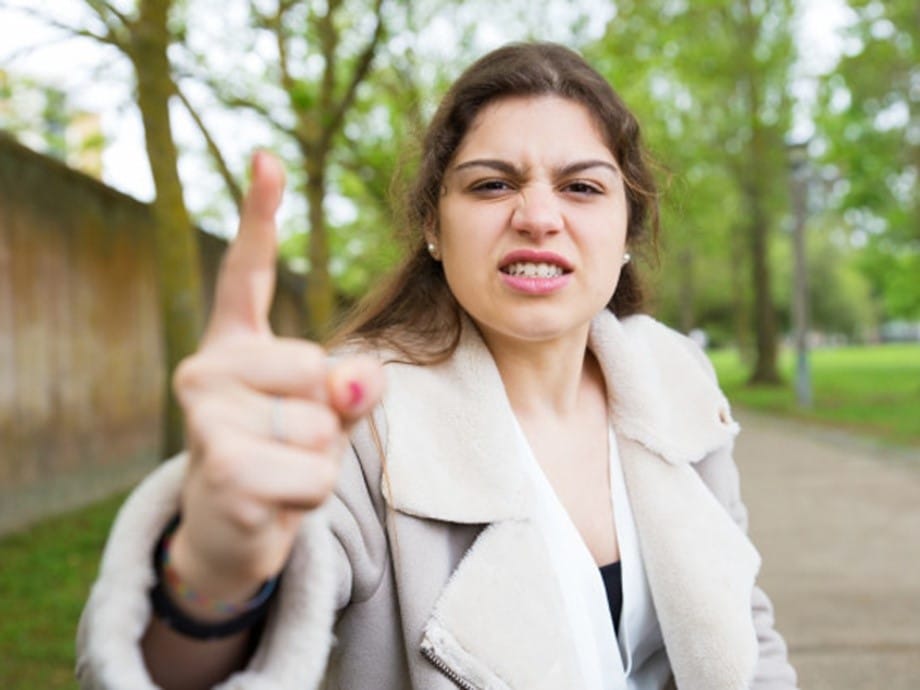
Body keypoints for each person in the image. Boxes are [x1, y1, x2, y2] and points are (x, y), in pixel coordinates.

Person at [77, 42, 798, 689]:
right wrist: (212, 577)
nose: (538, 215)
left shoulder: (676, 385)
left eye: (581, 187)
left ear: (628, 228)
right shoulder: (356, 420)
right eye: (491, 185)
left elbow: (744, 629)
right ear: (432, 225)